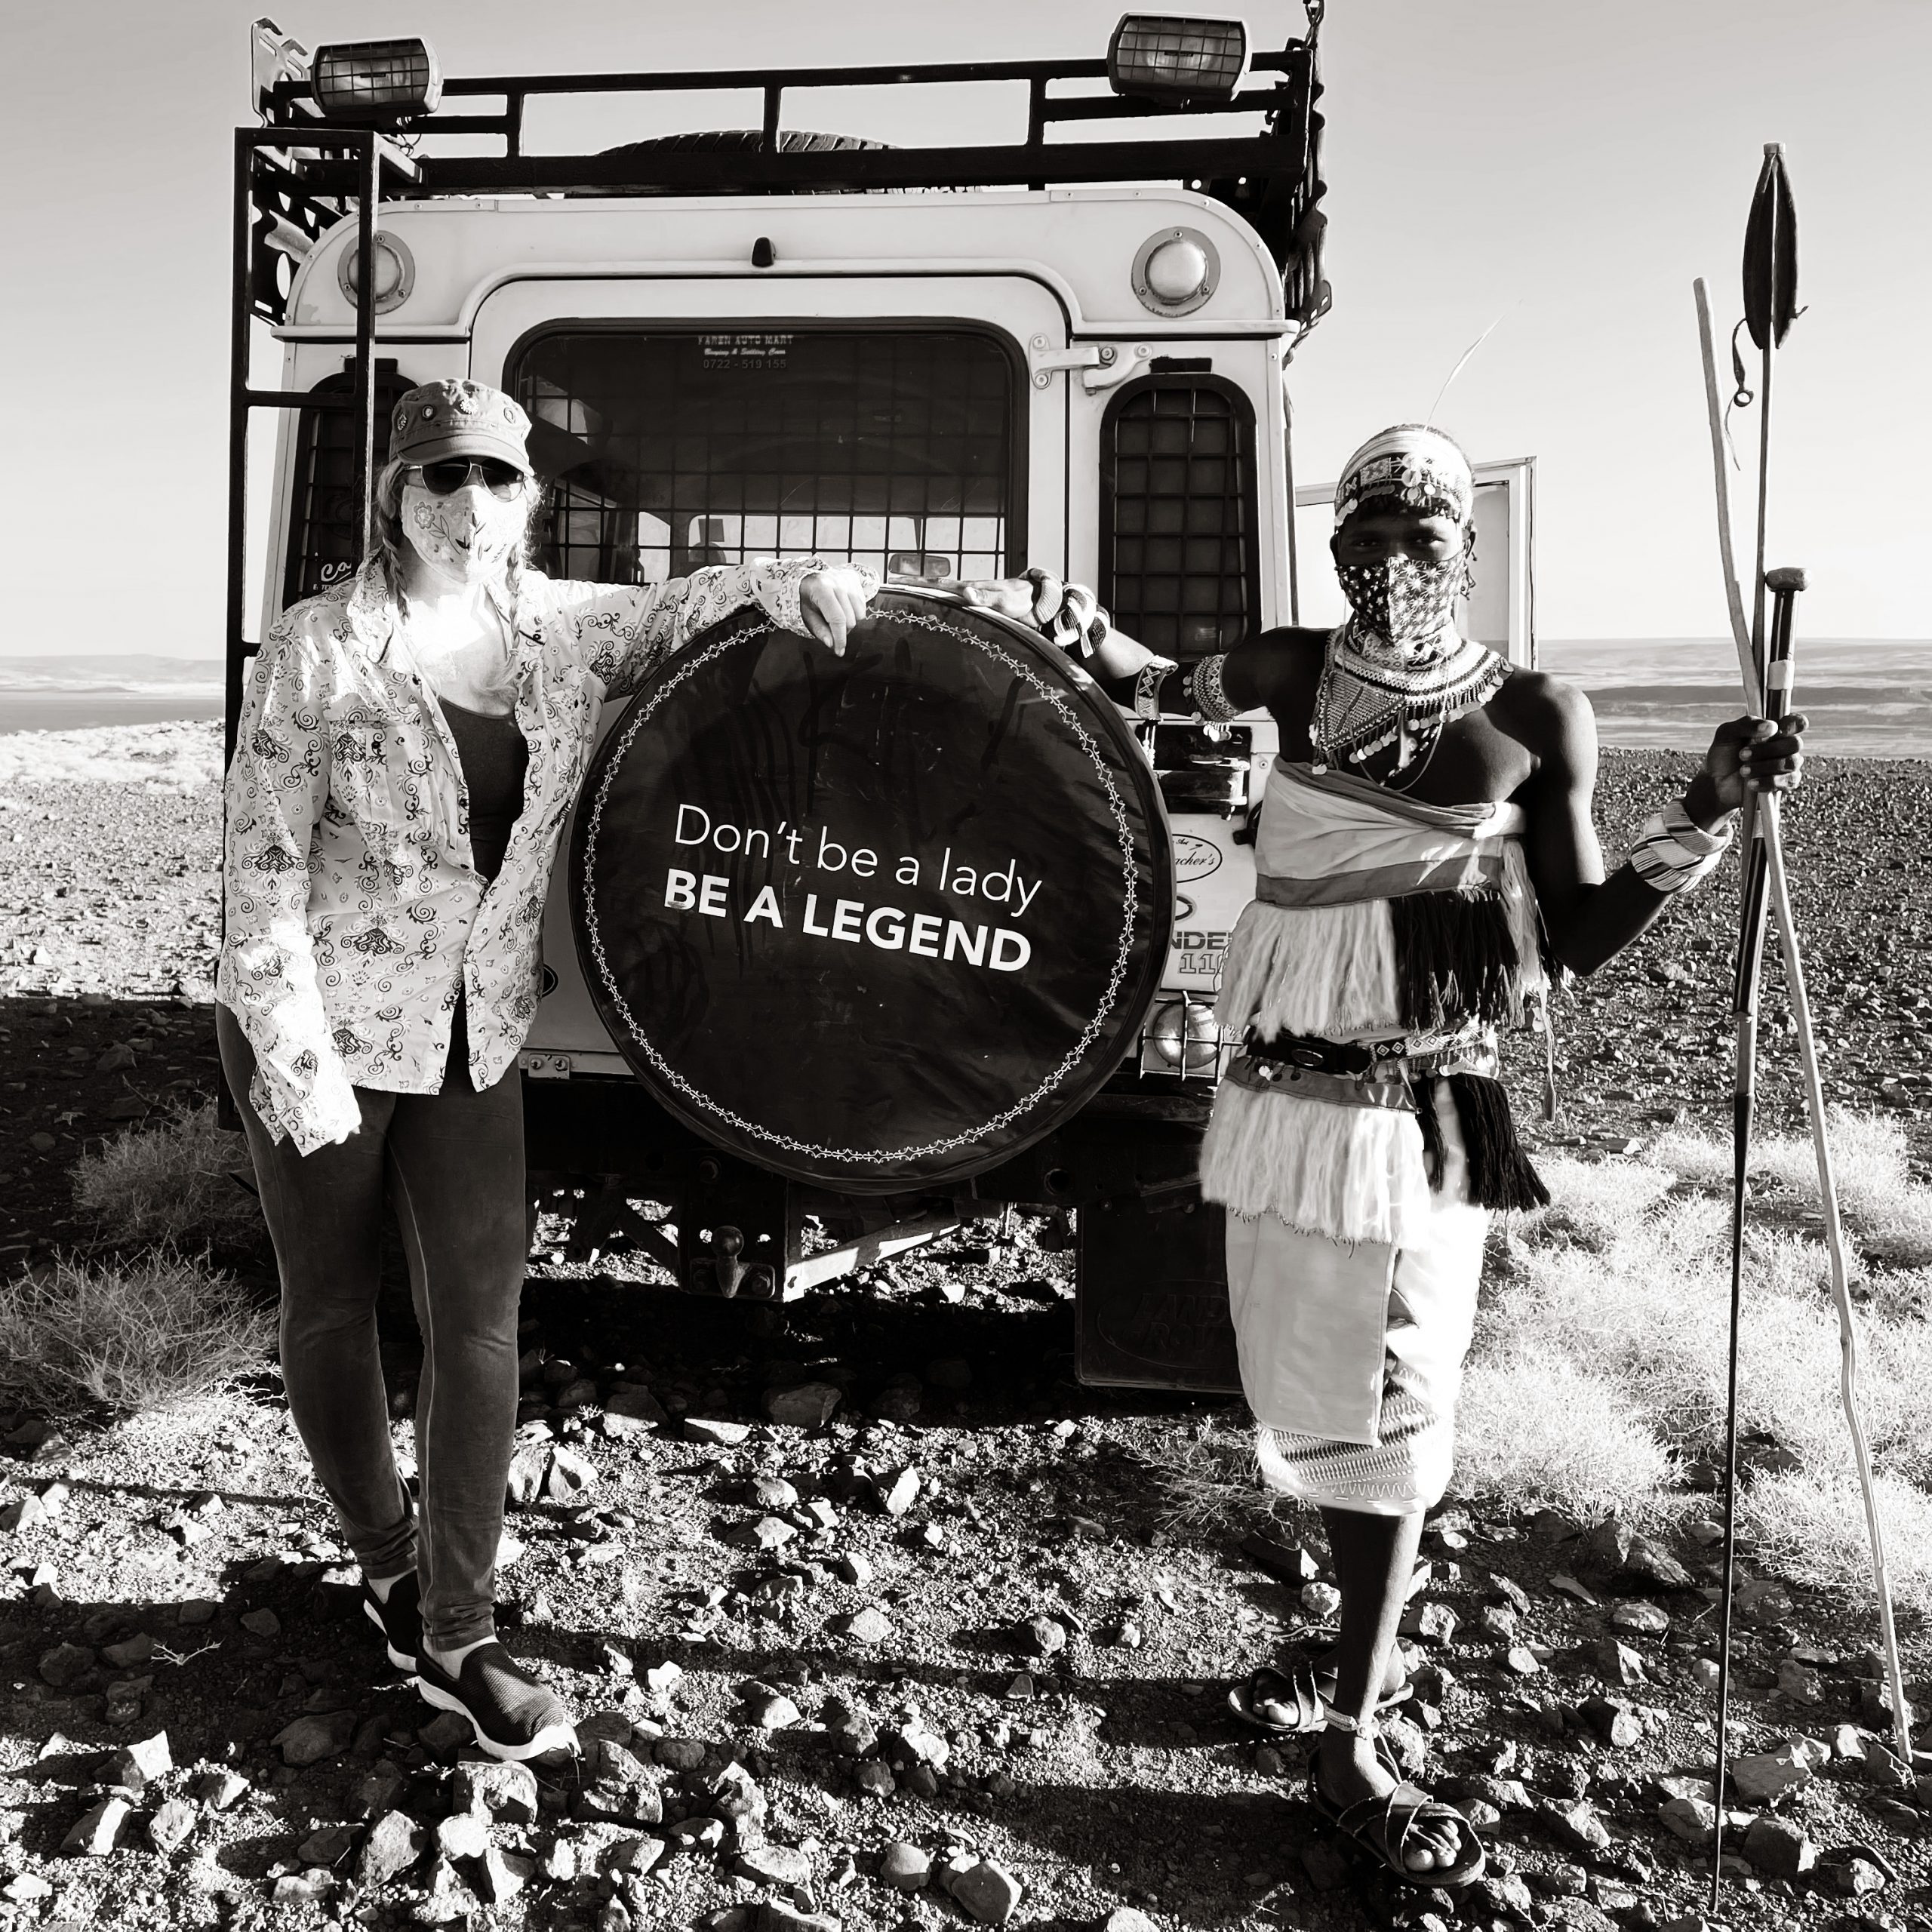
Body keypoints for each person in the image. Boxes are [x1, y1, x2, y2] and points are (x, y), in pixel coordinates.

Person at [1085, 425, 1804, 1889]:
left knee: (1394, 1396)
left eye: (1423, 533)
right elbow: (1150, 684)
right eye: (1369, 531)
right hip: (1278, 1100)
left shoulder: (1537, 713)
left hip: (1431, 1102)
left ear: (1463, 549)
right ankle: (1352, 1637)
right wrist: (1073, 631)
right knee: (1296, 1384)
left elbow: (1578, 929)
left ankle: (1349, 1721)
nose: (1394, 557)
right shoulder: (1290, 673)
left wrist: (1707, 814)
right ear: (1338, 543)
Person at [217, 377, 881, 1761]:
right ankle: (386, 1562)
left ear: (529, 499)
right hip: (327, 1025)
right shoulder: (315, 651)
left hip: (473, 1032)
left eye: (497, 480)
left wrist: (805, 576)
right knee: (333, 1306)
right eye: (442, 478)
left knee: (480, 1321)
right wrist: (298, 1057)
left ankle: (456, 1632)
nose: (470, 504)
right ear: (394, 496)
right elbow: (261, 877)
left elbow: (690, 601)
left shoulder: (560, 633)